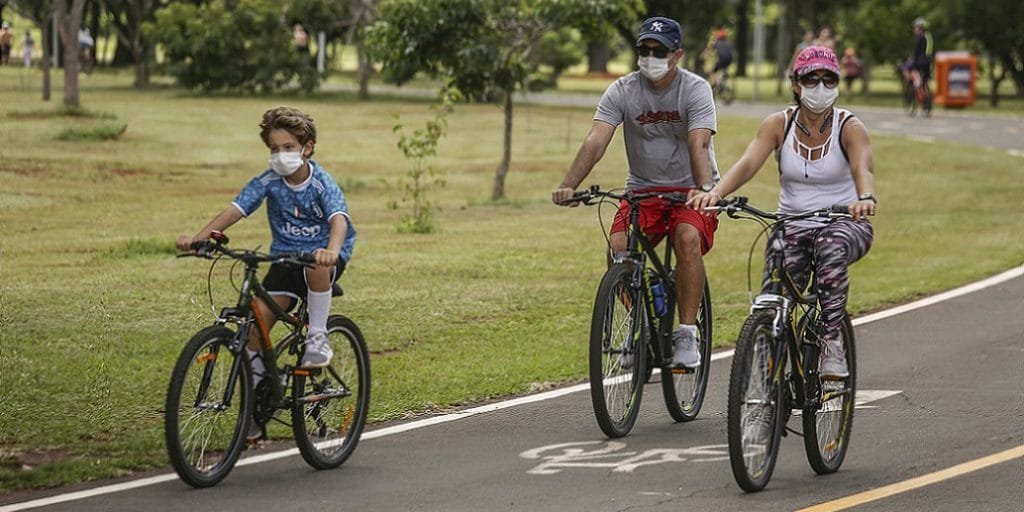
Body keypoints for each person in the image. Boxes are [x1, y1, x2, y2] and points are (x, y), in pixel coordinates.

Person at [689, 46, 876, 378]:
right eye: (811, 79)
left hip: (846, 222)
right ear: (795, 83)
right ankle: (765, 379)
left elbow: (863, 165)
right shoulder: (778, 124)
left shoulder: (850, 126)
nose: (820, 86)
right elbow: (748, 162)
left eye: (828, 79)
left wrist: (865, 197)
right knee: (773, 299)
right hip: (791, 225)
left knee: (830, 247)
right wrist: (716, 193)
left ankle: (832, 340)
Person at [552, 16, 720, 369]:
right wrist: (570, 184)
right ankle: (637, 327)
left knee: (686, 238)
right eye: (643, 49)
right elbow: (597, 139)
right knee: (618, 250)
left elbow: (699, 143)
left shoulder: (695, 89)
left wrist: (706, 190)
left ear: (677, 55)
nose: (650, 56)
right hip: (643, 190)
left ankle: (687, 333)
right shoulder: (622, 90)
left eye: (658, 50)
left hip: (691, 190)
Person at [176, 106, 356, 407]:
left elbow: (339, 219)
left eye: (288, 147)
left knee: (315, 265)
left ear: (307, 148)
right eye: (274, 149)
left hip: (323, 256)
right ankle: (256, 410)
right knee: (254, 331)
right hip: (283, 258)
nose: (280, 154)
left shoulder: (321, 182)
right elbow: (236, 209)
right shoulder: (268, 181)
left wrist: (332, 251)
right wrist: (198, 239)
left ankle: (317, 338)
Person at [910, 17, 933, 114]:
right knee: (926, 82)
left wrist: (913, 64)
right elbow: (929, 51)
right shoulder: (929, 37)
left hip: (920, 63)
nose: (914, 29)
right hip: (928, 63)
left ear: (919, 28)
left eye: (915, 27)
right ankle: (927, 104)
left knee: (916, 80)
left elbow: (916, 52)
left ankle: (916, 102)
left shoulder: (919, 38)